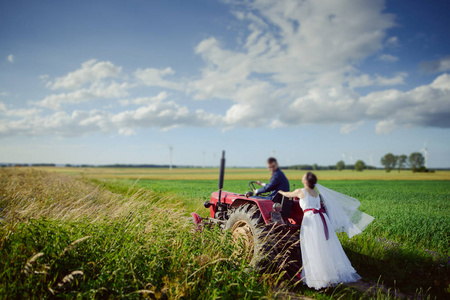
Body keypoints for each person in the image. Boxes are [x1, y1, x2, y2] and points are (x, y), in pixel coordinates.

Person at [278, 172, 374, 290]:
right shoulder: (316, 193)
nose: (302, 178)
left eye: (303, 177)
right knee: (325, 245)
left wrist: (280, 191)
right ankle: (331, 272)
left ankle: (319, 276)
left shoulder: (300, 191)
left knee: (313, 246)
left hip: (310, 220)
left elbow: (288, 194)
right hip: (321, 219)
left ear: (306, 181)